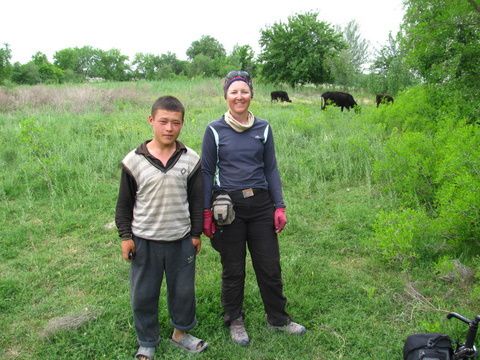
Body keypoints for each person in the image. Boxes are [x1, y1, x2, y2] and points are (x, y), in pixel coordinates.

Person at [201, 71, 306, 346]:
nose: (239, 96)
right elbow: (207, 171)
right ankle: (235, 320)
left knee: (269, 265)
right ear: (225, 95)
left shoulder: (264, 128)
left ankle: (278, 319)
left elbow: (270, 168)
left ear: (251, 95)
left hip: (261, 206)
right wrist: (206, 211)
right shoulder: (214, 130)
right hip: (230, 208)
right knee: (233, 268)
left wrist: (279, 205)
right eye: (234, 92)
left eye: (244, 91)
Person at [115, 96, 207, 359]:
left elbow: (196, 200)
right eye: (163, 121)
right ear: (151, 121)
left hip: (181, 240)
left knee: (183, 291)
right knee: (143, 294)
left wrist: (196, 233)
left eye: (175, 123)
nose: (169, 128)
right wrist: (125, 236)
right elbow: (124, 205)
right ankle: (147, 340)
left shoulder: (191, 159)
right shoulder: (134, 161)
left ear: (182, 124)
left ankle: (181, 333)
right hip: (145, 241)